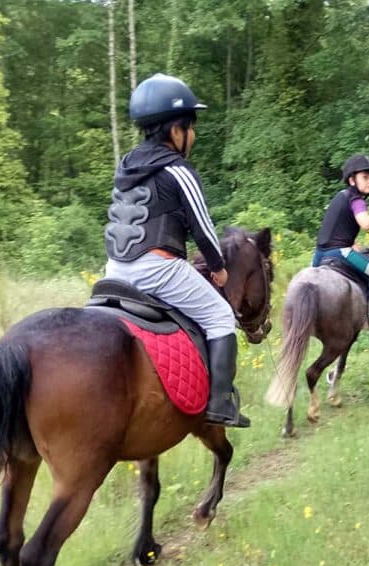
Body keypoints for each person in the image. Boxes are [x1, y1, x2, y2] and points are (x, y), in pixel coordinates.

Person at [102, 73, 249, 428]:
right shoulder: (179, 170)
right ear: (175, 131)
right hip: (158, 269)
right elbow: (202, 226)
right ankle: (219, 403)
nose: (193, 136)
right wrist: (218, 268)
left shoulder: (126, 166)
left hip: (114, 271)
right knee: (220, 316)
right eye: (191, 127)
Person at [312, 154, 369, 335]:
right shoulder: (356, 199)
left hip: (318, 255)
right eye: (365, 177)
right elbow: (366, 224)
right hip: (338, 252)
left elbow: (336, 224)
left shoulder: (341, 196)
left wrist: (350, 242)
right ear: (352, 180)